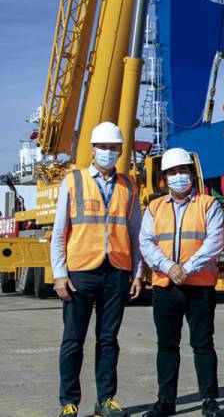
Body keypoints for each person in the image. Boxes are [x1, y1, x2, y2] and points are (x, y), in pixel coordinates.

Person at [51, 122, 144, 417]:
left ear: (120, 151)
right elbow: (59, 232)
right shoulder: (73, 181)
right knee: (73, 339)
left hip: (116, 271)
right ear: (92, 150)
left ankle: (105, 400)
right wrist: (59, 273)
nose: (108, 152)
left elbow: (135, 233)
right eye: (103, 147)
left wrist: (138, 272)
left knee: (108, 340)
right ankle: (69, 401)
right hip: (80, 272)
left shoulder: (128, 186)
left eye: (113, 148)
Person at [139, 148, 224, 417]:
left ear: (191, 173)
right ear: (164, 178)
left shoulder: (208, 204)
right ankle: (166, 400)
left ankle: (209, 401)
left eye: (183, 171)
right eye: (173, 172)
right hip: (166, 287)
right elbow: (145, 242)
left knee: (203, 345)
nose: (179, 177)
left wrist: (185, 269)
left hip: (199, 286)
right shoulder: (154, 208)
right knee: (166, 346)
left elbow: (214, 241)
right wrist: (168, 267)